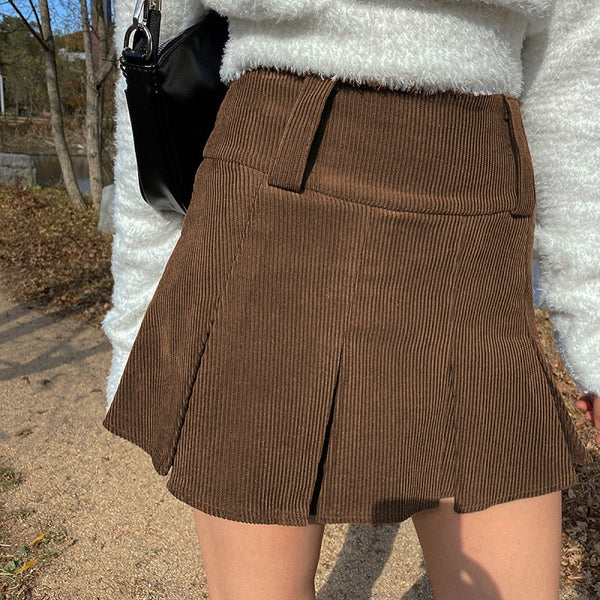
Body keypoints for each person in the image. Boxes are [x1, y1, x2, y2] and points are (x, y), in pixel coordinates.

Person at [102, 0, 600, 598]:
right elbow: (153, 54)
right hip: (268, 194)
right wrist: (140, 315)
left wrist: (593, 336)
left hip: (476, 213)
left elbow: (573, 87)